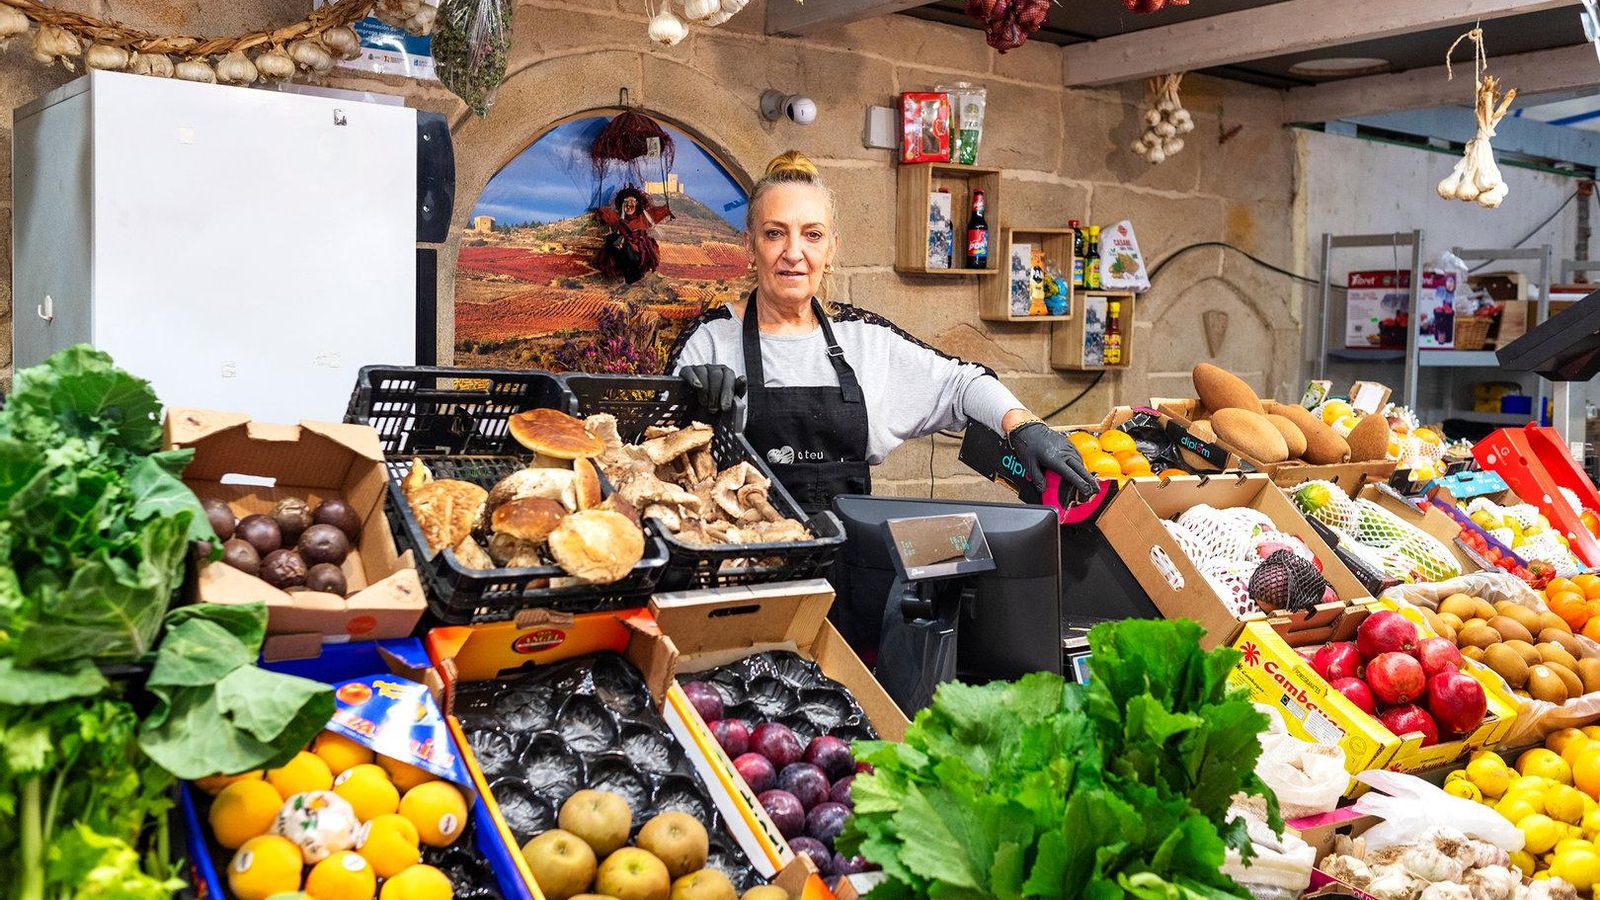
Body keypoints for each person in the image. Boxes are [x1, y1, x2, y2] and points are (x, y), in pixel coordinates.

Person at [664, 150, 1094, 517]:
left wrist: (1022, 426)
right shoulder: (710, 340)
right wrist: (691, 410)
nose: (793, 253)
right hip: (740, 563)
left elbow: (963, 383)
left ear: (830, 249)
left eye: (811, 235)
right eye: (775, 233)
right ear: (750, 245)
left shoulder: (864, 339)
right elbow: (656, 462)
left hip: (848, 564)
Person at [594, 186, 672, 284]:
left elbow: (657, 213)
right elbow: (607, 214)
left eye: (632, 205)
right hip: (622, 252)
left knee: (630, 256)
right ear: (622, 205)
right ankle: (630, 274)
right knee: (613, 239)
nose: (629, 207)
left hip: (639, 253)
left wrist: (666, 210)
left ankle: (632, 274)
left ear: (636, 204)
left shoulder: (644, 217)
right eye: (626, 205)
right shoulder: (618, 218)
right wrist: (600, 213)